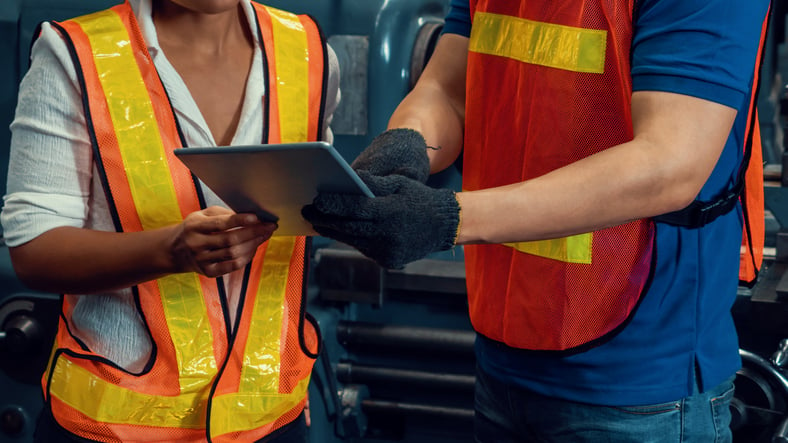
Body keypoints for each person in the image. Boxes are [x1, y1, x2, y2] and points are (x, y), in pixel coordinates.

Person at [302, 0, 772, 441]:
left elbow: (670, 164)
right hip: (503, 346)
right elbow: (448, 87)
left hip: (641, 386)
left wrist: (448, 217)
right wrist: (409, 143)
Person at [1, 0, 340, 441]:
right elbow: (34, 252)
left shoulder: (310, 53)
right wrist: (169, 250)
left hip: (271, 421)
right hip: (117, 427)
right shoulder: (75, 55)